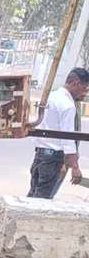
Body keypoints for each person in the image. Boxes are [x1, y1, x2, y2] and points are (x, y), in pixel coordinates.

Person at [28, 67, 89, 199]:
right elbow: (67, 139)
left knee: (33, 195)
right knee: (42, 200)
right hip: (53, 159)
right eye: (84, 88)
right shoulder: (68, 105)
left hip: (40, 155)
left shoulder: (51, 96)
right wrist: (75, 168)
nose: (84, 93)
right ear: (76, 83)